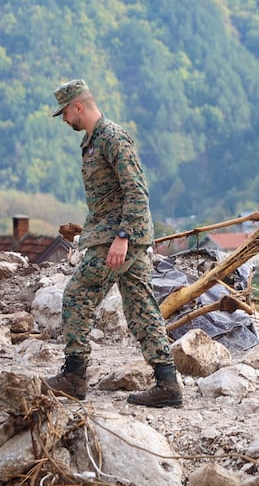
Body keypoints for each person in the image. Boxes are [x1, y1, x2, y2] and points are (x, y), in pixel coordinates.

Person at [43, 79, 182, 408]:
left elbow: (137, 191)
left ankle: (74, 376)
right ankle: (168, 384)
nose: (64, 119)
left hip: (118, 238)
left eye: (65, 112)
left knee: (78, 293)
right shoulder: (93, 141)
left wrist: (123, 238)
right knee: (141, 308)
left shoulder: (112, 137)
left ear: (78, 106)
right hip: (114, 235)